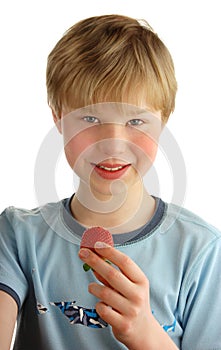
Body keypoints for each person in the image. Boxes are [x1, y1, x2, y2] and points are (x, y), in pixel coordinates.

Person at [0, 14, 221, 350]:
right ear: (58, 116)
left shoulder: (202, 252)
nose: (114, 144)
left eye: (135, 120)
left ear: (163, 121)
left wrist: (146, 334)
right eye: (90, 118)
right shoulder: (18, 236)